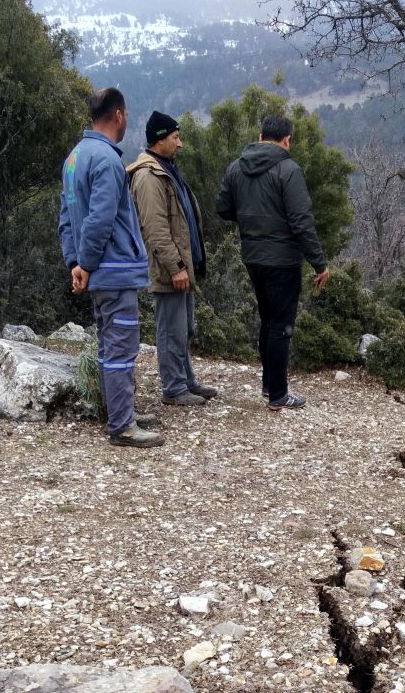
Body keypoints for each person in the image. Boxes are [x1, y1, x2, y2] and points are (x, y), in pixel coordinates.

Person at [58, 87, 162, 448]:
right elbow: (100, 220)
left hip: (96, 271)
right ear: (119, 115)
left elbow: (66, 219)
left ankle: (120, 412)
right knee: (121, 346)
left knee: (107, 345)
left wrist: (75, 262)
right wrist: (85, 263)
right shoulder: (106, 160)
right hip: (114, 269)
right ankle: (121, 425)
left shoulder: (73, 158)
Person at [217, 114, 330, 410]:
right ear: (287, 140)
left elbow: (223, 207)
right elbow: (301, 221)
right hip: (282, 259)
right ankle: (278, 394)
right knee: (281, 325)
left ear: (260, 135)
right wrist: (319, 263)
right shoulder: (288, 169)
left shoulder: (236, 168)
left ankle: (270, 385)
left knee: (267, 320)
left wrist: (250, 217)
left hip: (252, 256)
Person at [127, 111, 217, 407]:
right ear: (160, 140)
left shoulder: (167, 169)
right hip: (170, 269)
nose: (180, 144)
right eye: (176, 138)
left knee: (185, 327)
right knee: (171, 329)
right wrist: (176, 267)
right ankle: (174, 388)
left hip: (183, 267)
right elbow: (155, 230)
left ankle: (187, 381)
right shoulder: (148, 175)